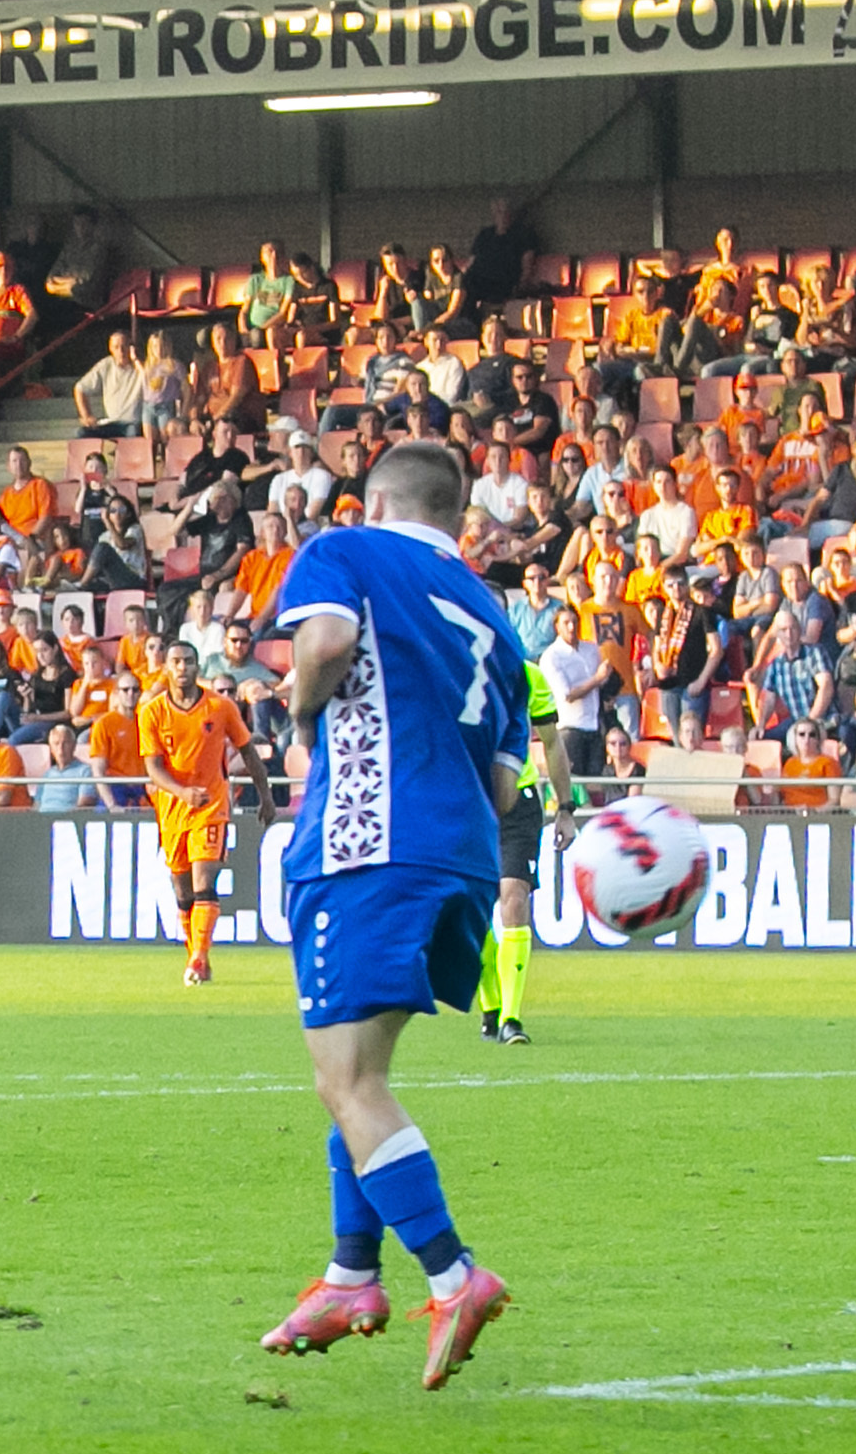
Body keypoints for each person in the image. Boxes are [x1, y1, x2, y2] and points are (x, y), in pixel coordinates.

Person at [256, 439, 522, 1389]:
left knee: (349, 1084)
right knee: (360, 1072)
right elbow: (500, 783)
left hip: (365, 844)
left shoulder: (344, 552)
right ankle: (349, 1274)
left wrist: (296, 709)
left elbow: (322, 646)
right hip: (460, 856)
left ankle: (453, 1276)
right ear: (456, 517)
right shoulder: (493, 615)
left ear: (372, 500)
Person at [139, 642, 272, 989]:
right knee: (181, 889)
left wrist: (266, 796)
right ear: (166, 668)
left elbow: (248, 751)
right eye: (176, 661)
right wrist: (181, 792)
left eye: (188, 661)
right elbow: (152, 768)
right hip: (172, 809)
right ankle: (196, 953)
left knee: (203, 882)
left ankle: (198, 956)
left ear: (198, 666)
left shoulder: (220, 706)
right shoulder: (151, 713)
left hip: (211, 806)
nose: (182, 667)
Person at [475, 656, 583, 1048]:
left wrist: (566, 809)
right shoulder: (450, 667)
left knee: (513, 897)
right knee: (471, 907)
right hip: (470, 804)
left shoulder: (529, 676)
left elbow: (552, 744)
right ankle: (491, 1004)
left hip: (518, 803)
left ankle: (511, 1018)